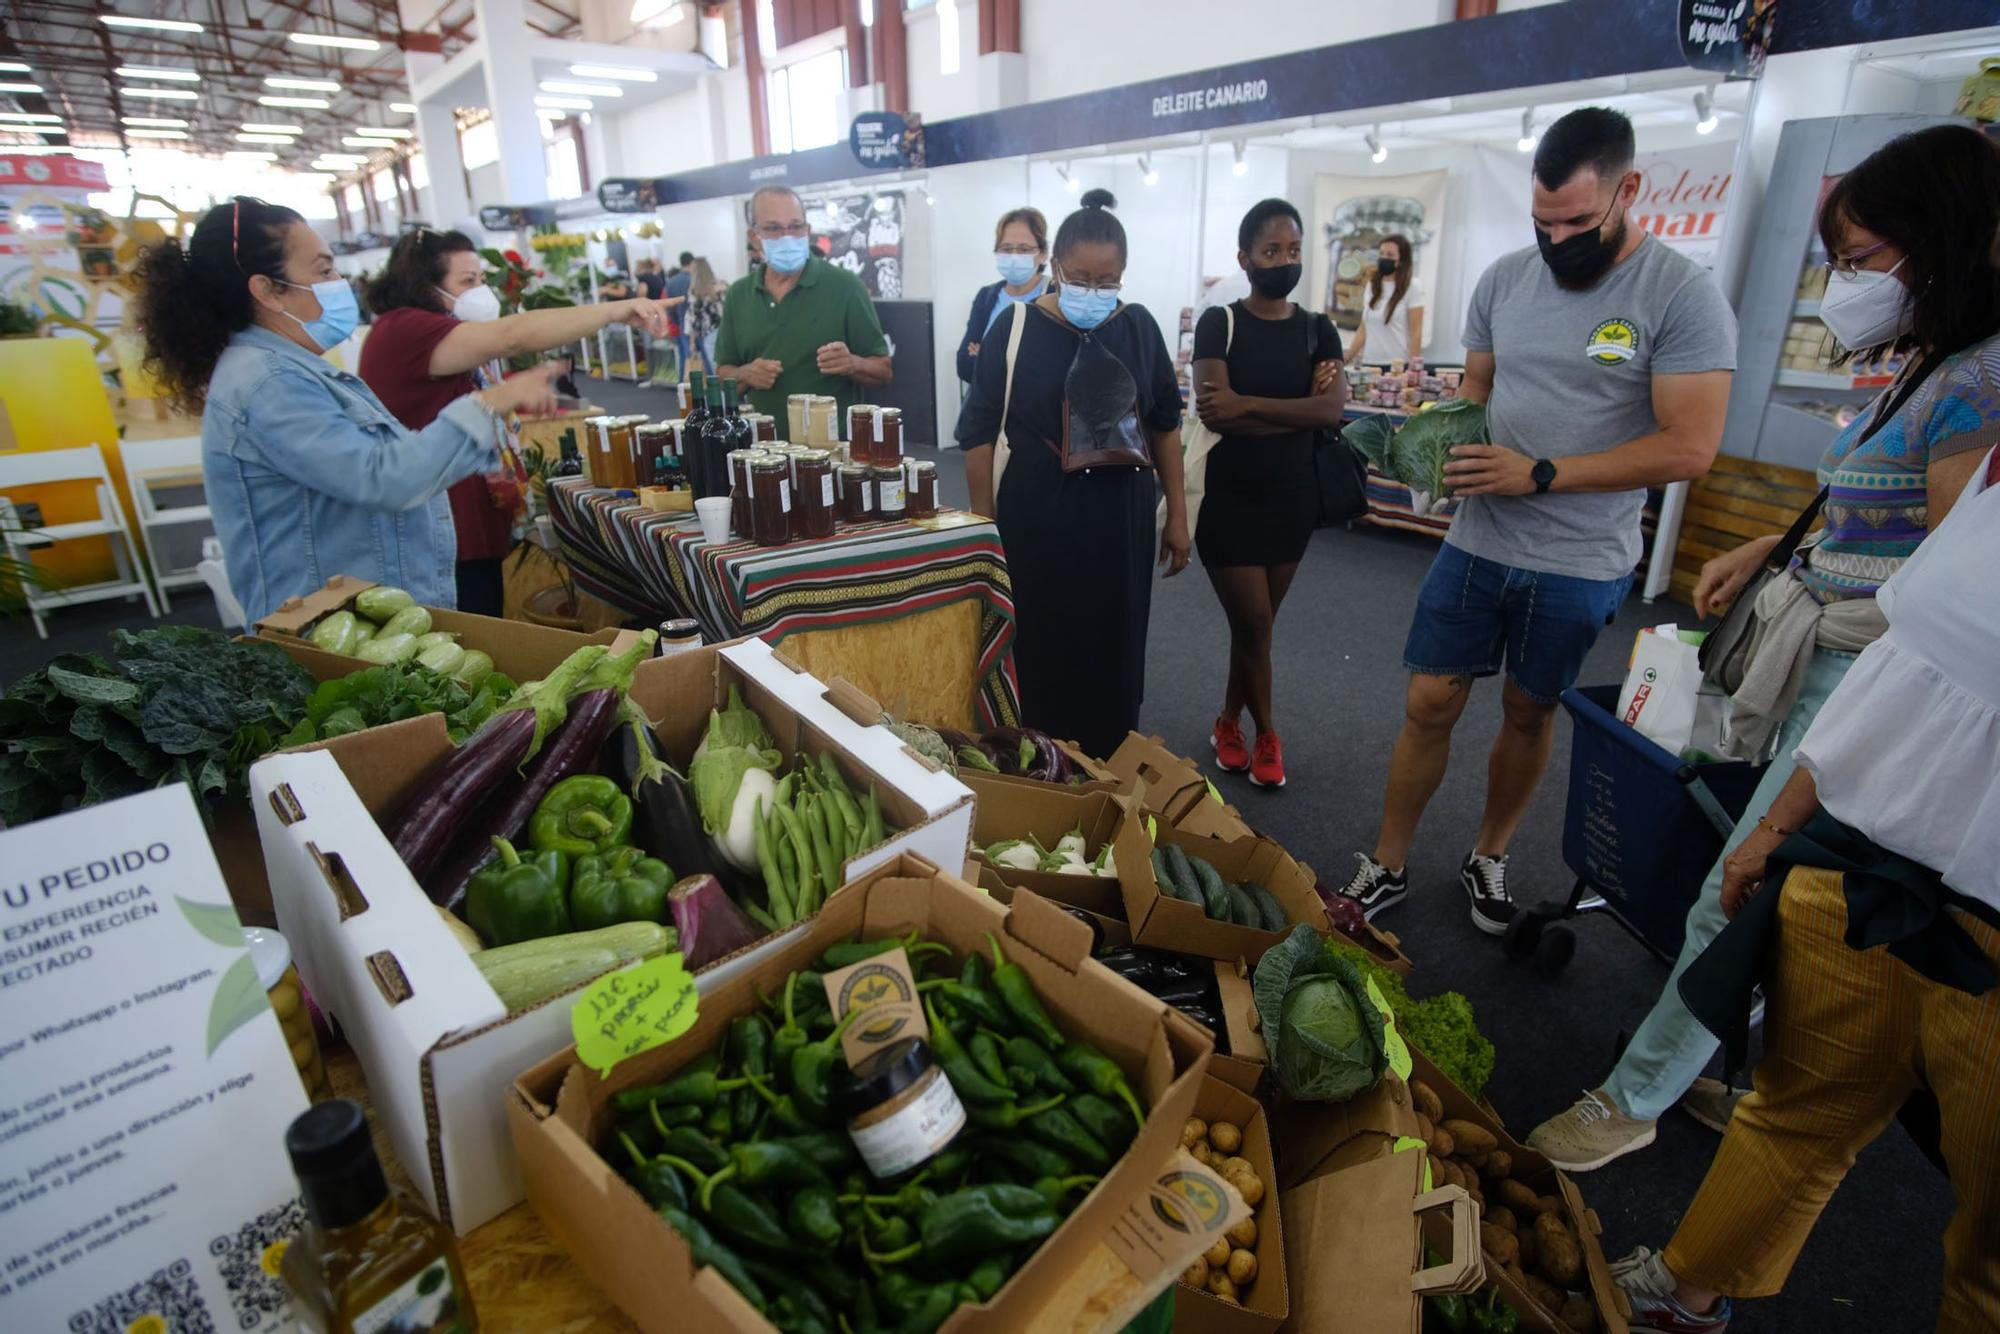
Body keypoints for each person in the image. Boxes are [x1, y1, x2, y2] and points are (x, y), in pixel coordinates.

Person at [1526, 123, 2000, 1172]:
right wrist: (1759, 545)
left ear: (1938, 243)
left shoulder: (1979, 384)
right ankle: (1698, 1057)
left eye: (1861, 259)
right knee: (1752, 877)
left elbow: (1950, 596)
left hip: (1868, 682)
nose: (1845, 283)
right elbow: (1865, 515)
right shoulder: (1927, 361)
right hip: (1818, 647)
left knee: (1737, 880)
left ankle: (1633, 1094)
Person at [1612, 442, 2000, 1334]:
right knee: (1794, 1113)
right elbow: (1896, 674)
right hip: (1860, 871)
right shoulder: (1978, 475)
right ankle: (1686, 1292)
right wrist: (1778, 827)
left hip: (1989, 933)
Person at [1335, 107, 1736, 933]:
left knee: (1529, 710)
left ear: (1629, 190)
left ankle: (1489, 855)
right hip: (1479, 540)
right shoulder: (1506, 281)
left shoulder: (1681, 296)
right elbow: (1476, 394)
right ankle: (1389, 862)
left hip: (1583, 559)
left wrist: (1542, 474)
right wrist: (1427, 443)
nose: (1558, 241)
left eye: (1579, 222)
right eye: (1542, 222)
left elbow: (1690, 447)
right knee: (1427, 704)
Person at [132, 197, 557, 624]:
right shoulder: (270, 382)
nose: (338, 281)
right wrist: (490, 403)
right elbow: (384, 477)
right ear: (266, 290)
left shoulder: (292, 369)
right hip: (333, 631)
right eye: (322, 270)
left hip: (358, 620)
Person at [955, 189, 1190, 757]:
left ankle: (1109, 760)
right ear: (1055, 267)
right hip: (1037, 520)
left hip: (1119, 521)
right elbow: (978, 434)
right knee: (1041, 647)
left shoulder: (1138, 328)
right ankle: (1037, 761)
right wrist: (986, 528)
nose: (1094, 292)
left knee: (1114, 647)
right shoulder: (1014, 330)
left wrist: (1178, 514)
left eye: (1107, 282)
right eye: (1081, 278)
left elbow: (1164, 423)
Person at [357, 228, 676, 616]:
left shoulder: (429, 330)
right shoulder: (406, 329)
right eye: (467, 281)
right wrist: (613, 310)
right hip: (440, 535)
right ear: (424, 285)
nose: (480, 291)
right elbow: (512, 337)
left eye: (482, 279)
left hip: (467, 528)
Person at [1190, 198, 1347, 789]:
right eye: (1271, 251)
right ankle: (1268, 735)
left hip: (1292, 499)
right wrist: (1296, 413)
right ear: (1246, 258)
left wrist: (1249, 404)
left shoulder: (1317, 328)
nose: (1284, 261)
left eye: (1293, 251)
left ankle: (1228, 720)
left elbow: (1332, 409)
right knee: (1254, 622)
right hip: (1227, 501)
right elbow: (1216, 414)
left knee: (1255, 628)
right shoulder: (1219, 323)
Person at [716, 186, 892, 419]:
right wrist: (746, 374)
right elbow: (722, 373)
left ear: (807, 230)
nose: (787, 236)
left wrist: (853, 363)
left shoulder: (846, 286)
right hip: (761, 449)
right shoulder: (739, 294)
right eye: (773, 228)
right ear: (754, 237)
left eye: (796, 226)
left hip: (832, 448)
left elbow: (883, 369)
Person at [957, 207, 1050, 389]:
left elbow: (1050, 370)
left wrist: (986, 357)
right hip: (989, 413)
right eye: (1006, 249)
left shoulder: (1054, 294)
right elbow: (964, 365)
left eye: (1024, 249)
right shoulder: (986, 296)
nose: (1014, 256)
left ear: (1042, 253)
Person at [1348, 233, 1425, 367]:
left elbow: (1416, 331)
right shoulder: (1372, 285)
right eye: (1382, 253)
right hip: (1369, 364)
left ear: (1401, 260)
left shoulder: (1413, 286)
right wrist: (1347, 358)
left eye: (1390, 255)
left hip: (1398, 366)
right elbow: (1364, 328)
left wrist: (1414, 369)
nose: (1384, 258)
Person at [684, 258, 726, 378]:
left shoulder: (695, 291)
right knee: (729, 368)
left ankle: (721, 395)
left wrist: (692, 342)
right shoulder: (723, 286)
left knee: (715, 370)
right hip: (726, 332)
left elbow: (694, 319)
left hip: (709, 334)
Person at [666, 250, 695, 375]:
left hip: (681, 324)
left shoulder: (671, 282)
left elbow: (670, 307)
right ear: (691, 262)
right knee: (700, 359)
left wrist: (677, 321)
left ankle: (683, 387)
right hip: (695, 326)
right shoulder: (694, 280)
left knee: (684, 358)